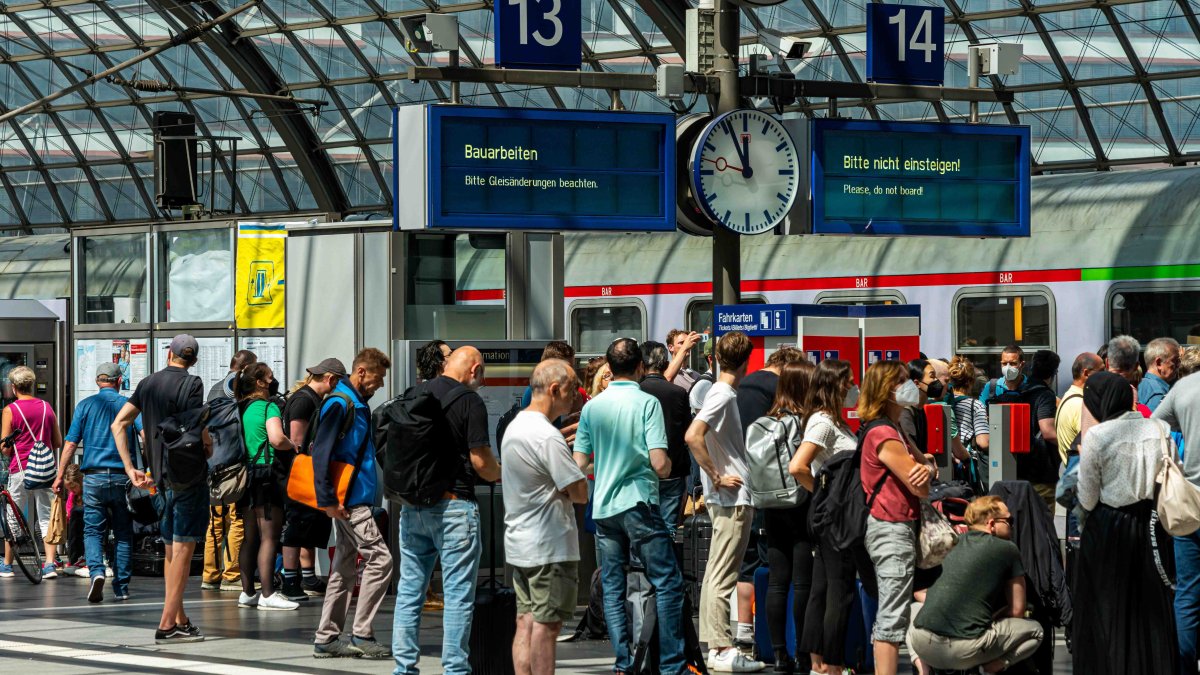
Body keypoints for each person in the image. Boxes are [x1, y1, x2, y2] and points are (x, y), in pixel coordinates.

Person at [574, 337, 687, 675]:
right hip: (639, 502)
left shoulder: (593, 406)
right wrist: (664, 468)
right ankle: (671, 665)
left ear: (609, 368)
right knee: (667, 582)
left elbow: (579, 463)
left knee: (613, 584)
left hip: (605, 506)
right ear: (640, 366)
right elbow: (659, 463)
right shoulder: (647, 403)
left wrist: (607, 466)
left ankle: (623, 663)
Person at [391, 346, 500, 673]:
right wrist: (502, 471)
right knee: (457, 597)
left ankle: (404, 669)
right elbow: (482, 462)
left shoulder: (414, 394)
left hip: (413, 508)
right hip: (454, 509)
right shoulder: (469, 401)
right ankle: (455, 670)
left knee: (410, 592)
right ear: (475, 370)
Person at [1073, 371, 1178, 674]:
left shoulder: (1098, 435)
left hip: (1109, 528)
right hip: (1153, 525)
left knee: (1109, 605)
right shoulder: (1159, 427)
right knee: (1152, 605)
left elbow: (1088, 495)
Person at [111, 334, 207, 644]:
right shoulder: (192, 385)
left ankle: (180, 619)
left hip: (159, 479)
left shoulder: (148, 383)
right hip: (187, 476)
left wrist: (131, 468)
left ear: (169, 354)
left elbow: (119, 424)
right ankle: (167, 623)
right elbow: (196, 430)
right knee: (184, 548)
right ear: (191, 360)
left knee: (170, 547)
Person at [684, 331, 765, 672]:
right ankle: (720, 648)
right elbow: (693, 435)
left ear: (716, 358)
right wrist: (717, 475)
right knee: (722, 574)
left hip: (725, 497)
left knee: (716, 572)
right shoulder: (722, 395)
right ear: (748, 360)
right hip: (732, 498)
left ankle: (715, 646)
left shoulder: (720, 392)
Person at [502, 359, 589, 675]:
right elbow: (579, 493)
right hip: (549, 546)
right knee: (547, 627)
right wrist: (581, 470)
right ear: (554, 389)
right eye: (571, 390)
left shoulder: (516, 427)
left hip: (521, 544)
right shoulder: (546, 436)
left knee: (525, 622)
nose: (575, 398)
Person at [312, 348, 393, 659]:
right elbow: (321, 452)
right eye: (378, 377)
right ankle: (361, 634)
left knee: (344, 567)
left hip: (350, 498)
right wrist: (328, 500)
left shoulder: (354, 403)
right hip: (349, 500)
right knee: (381, 560)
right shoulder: (341, 403)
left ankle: (327, 637)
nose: (380, 384)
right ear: (361, 372)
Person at [907, 496, 1043, 674]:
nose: (1012, 525)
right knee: (1036, 631)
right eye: (1009, 520)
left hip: (923, 644)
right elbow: (1018, 610)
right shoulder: (1008, 549)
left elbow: (923, 593)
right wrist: (996, 615)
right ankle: (993, 666)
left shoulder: (952, 543)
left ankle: (923, 668)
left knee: (915, 608)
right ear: (991, 524)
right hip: (964, 651)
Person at [858, 360, 933, 675]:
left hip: (895, 526)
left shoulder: (894, 428)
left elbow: (925, 469)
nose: (910, 385)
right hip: (891, 528)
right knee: (891, 617)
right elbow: (922, 485)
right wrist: (926, 471)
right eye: (902, 380)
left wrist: (925, 468)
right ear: (886, 390)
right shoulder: (885, 433)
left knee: (894, 611)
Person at [741, 359, 816, 674]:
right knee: (802, 583)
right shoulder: (804, 423)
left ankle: (779, 655)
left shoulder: (766, 420)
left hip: (770, 507)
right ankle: (801, 654)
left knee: (776, 582)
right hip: (799, 505)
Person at [789, 359, 858, 675]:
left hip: (830, 515)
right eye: (848, 382)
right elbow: (797, 466)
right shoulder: (823, 423)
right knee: (837, 590)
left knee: (822, 588)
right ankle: (832, 664)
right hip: (834, 517)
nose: (852, 387)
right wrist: (824, 493)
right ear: (834, 385)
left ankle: (818, 662)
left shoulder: (833, 420)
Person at [54, 363, 139, 601]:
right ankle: (121, 588)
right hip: (124, 477)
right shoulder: (129, 405)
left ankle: (97, 573)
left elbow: (70, 444)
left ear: (96, 382)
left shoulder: (85, 406)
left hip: (93, 478)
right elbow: (144, 435)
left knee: (92, 530)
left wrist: (60, 476)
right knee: (123, 532)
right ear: (119, 381)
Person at [231, 362, 298, 611]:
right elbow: (276, 439)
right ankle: (268, 594)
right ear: (259, 383)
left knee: (250, 537)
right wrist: (293, 445)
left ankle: (248, 593)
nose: (273, 381)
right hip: (266, 475)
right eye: (269, 377)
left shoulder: (240, 407)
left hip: (244, 476)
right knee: (269, 536)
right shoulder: (268, 407)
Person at [278, 358, 346, 602]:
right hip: (298, 474)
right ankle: (290, 581)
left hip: (303, 472)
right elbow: (297, 440)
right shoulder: (305, 400)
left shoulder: (312, 399)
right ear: (330, 379)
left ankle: (306, 578)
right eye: (337, 381)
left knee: (306, 526)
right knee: (296, 527)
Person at [1152, 370, 1200, 675]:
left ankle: (1184, 669)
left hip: (1190, 504)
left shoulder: (1185, 386)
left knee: (1188, 593)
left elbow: (1155, 423)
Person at [0, 366, 62, 579]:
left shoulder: (11, 410)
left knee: (13, 516)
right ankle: (50, 565)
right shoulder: (46, 407)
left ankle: (7, 565)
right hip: (45, 470)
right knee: (46, 516)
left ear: (14, 387)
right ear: (32, 385)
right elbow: (57, 442)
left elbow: (5, 448)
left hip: (20, 469)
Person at [201, 350, 255, 592]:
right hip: (233, 464)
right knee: (237, 520)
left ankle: (210, 574)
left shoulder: (214, 389)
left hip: (213, 463)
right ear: (244, 369)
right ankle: (231, 574)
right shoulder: (236, 387)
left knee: (215, 522)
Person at [981, 346, 1060, 511]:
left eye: (1012, 363)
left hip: (1017, 466)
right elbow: (1047, 430)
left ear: (1027, 366)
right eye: (1005, 363)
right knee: (1043, 519)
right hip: (1041, 469)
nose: (1008, 367)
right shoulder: (1044, 394)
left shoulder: (1019, 391)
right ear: (1053, 373)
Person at [639, 340, 692, 530]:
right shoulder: (678, 392)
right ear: (664, 363)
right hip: (674, 468)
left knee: (643, 527)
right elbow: (687, 429)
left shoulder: (637, 391)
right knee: (668, 527)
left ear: (641, 363)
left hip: (643, 470)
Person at [1057, 353, 1102, 465]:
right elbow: (1091, 448)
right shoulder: (1081, 405)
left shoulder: (1069, 397)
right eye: (1101, 371)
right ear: (1086, 373)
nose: (1105, 376)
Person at [1139, 337, 1180, 412]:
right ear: (1159, 363)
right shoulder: (1158, 393)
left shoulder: (1140, 384)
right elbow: (1156, 422)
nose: (1178, 365)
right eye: (1175, 360)